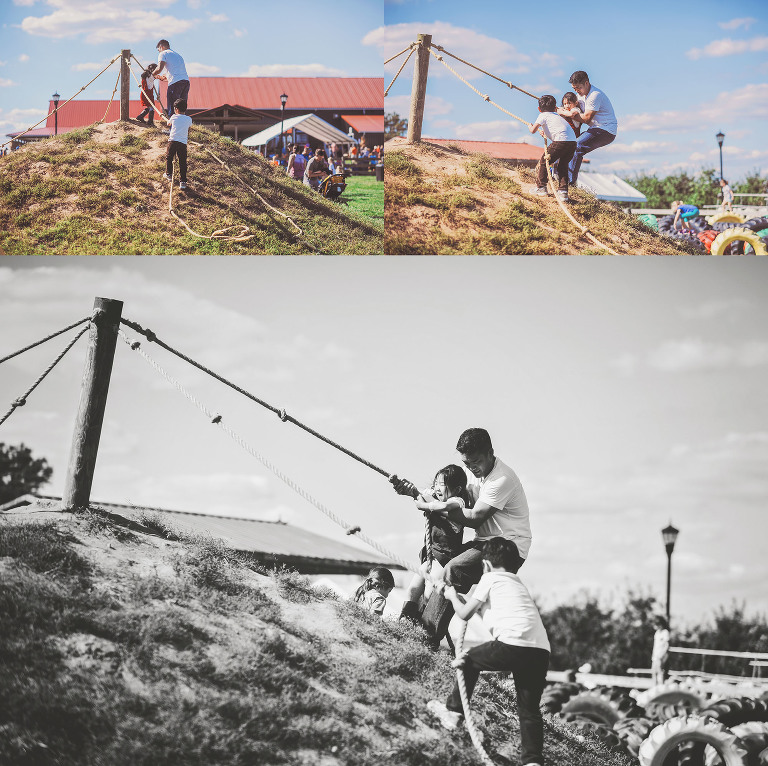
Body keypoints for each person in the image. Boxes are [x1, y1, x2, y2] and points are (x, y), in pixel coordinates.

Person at [426, 537, 550, 766]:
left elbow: (464, 614)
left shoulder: (490, 578)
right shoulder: (516, 583)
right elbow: (480, 609)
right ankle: (533, 761)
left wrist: (451, 595)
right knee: (529, 708)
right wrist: (456, 597)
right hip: (540, 650)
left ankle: (453, 712)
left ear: (487, 564)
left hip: (514, 644)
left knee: (468, 660)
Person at [400, 465, 468, 623]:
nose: (437, 488)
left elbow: (443, 506)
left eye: (442, 484)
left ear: (457, 489)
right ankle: (404, 620)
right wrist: (412, 491)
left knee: (429, 595)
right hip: (431, 556)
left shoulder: (458, 502)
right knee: (412, 590)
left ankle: (421, 626)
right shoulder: (434, 497)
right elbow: (422, 495)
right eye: (436, 483)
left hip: (444, 559)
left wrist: (424, 505)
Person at [565, 71, 617, 186]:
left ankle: (570, 183)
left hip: (606, 130)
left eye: (578, 87)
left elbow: (586, 118)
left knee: (577, 146)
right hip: (595, 128)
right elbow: (572, 109)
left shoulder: (595, 95)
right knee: (568, 145)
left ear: (586, 83)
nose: (577, 91)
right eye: (574, 88)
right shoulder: (579, 96)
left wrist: (568, 114)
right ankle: (558, 175)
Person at [529, 94, 577, 203]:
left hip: (561, 140)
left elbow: (532, 130)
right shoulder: (557, 116)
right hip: (573, 142)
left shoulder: (543, 115)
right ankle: (563, 192)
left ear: (539, 109)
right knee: (562, 165)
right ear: (555, 108)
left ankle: (541, 187)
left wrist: (530, 127)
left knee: (544, 161)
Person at [159, 98, 192, 190]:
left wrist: (163, 116)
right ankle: (183, 182)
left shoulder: (173, 117)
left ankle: (168, 174)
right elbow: (189, 127)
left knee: (169, 157)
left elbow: (168, 124)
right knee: (182, 162)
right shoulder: (189, 119)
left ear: (176, 109)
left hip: (173, 141)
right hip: (182, 143)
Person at [154, 39, 190, 119]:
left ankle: (172, 130)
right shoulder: (178, 55)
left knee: (173, 106)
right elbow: (176, 73)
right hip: (185, 82)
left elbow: (159, 68)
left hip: (175, 84)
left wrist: (151, 74)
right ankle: (181, 128)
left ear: (161, 47)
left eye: (158, 50)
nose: (159, 52)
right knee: (182, 107)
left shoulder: (163, 53)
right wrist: (163, 77)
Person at [651, 616, 670, 686]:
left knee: (660, 673)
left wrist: (662, 656)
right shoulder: (657, 633)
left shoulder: (665, 632)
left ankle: (661, 688)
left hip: (661, 656)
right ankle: (654, 687)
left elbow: (666, 645)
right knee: (654, 672)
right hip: (655, 657)